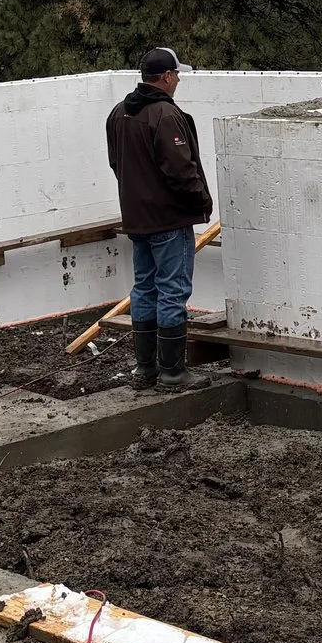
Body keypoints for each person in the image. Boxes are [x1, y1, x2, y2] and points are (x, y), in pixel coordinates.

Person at [106, 46, 213, 392]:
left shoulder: (119, 113)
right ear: (166, 76)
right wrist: (200, 200)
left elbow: (115, 163)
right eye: (177, 74)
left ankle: (146, 370)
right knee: (172, 291)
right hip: (168, 220)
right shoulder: (165, 115)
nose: (179, 80)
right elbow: (181, 170)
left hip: (137, 220)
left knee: (144, 289)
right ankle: (173, 373)